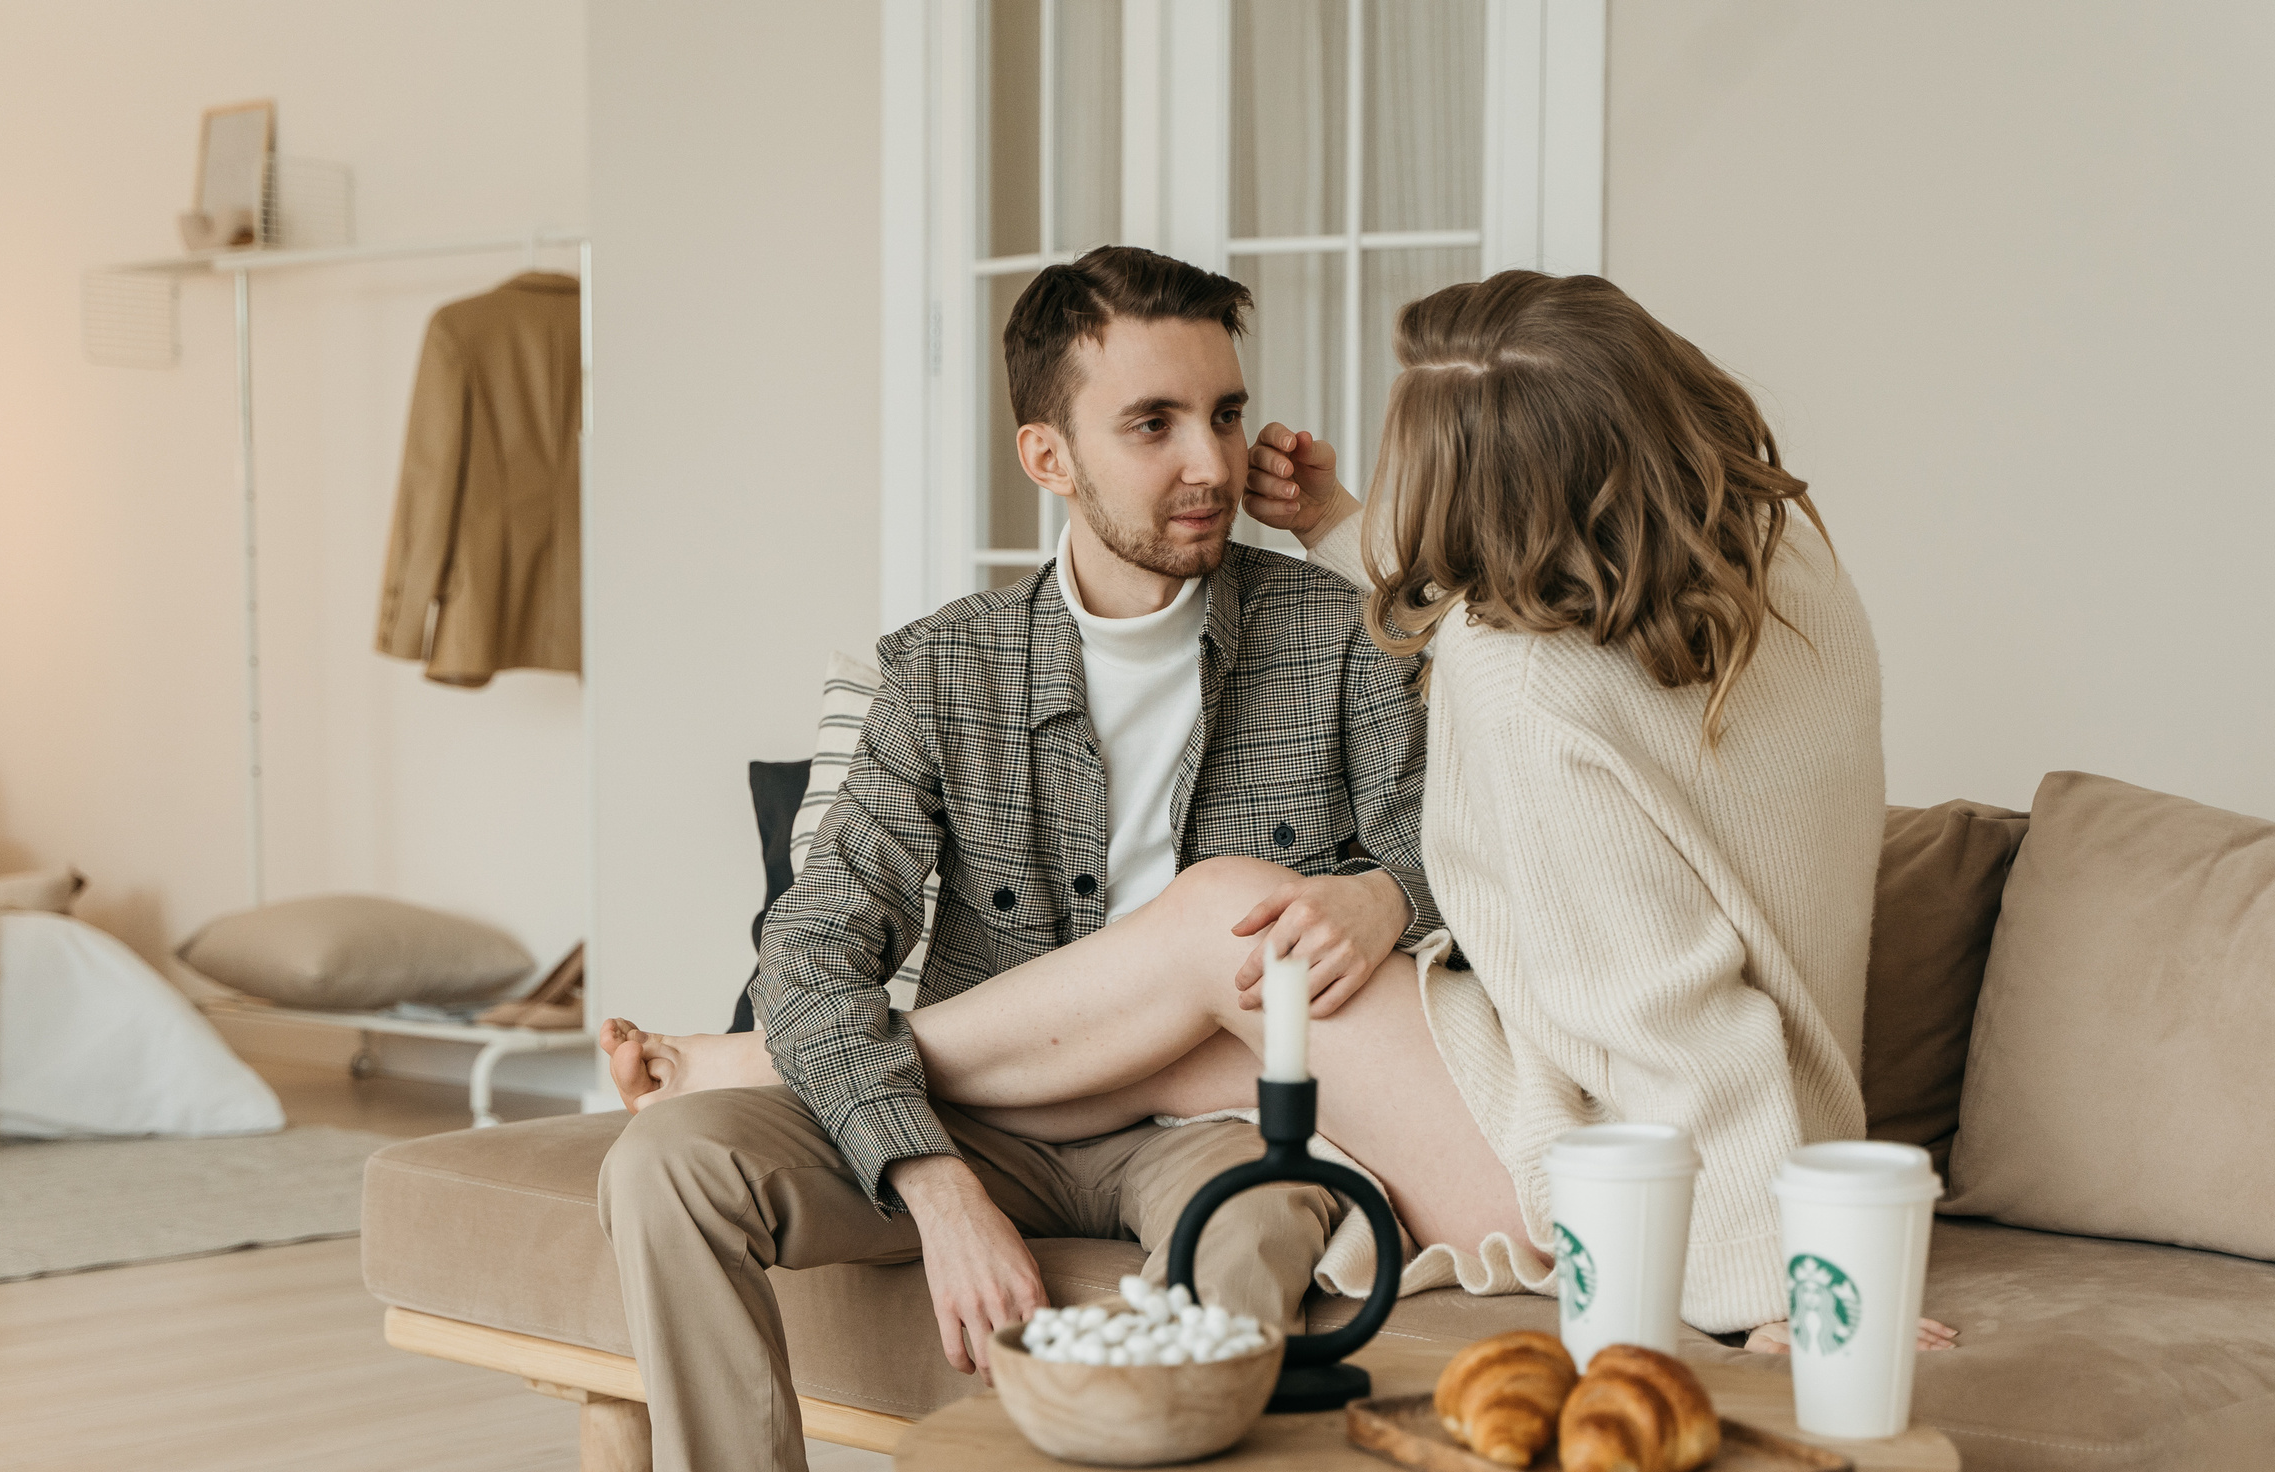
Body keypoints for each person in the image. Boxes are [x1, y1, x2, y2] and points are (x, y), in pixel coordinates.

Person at [699, 269, 1953, 1354]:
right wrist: (1340, 528)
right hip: (1759, 1108)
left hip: (1615, 1171)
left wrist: (1771, 1279)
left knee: (1231, 924)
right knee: (1208, 1028)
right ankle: (833, 1063)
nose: (1219, 461)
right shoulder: (1781, 567)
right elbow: (1506, 623)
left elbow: (1667, 1010)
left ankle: (783, 1057)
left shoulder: (1527, 690)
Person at [594, 245, 1444, 1472]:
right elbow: (812, 949)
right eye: (1153, 423)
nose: (1209, 463)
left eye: (1225, 414)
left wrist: (1383, 893)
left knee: (1249, 1237)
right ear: (1046, 456)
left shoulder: (1339, 637)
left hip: (1214, 1124)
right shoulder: (942, 671)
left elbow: (1470, 857)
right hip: (984, 1120)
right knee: (668, 1164)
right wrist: (934, 1185)